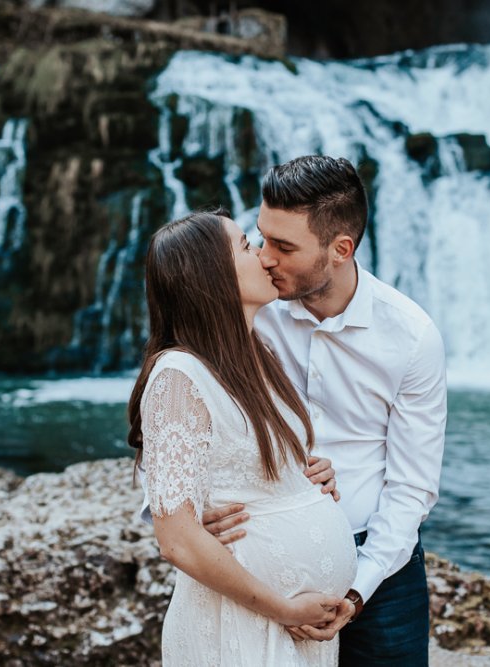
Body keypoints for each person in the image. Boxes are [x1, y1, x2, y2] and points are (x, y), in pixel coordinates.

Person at [201, 155, 447, 665]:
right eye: (261, 237)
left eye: (284, 247)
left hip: (379, 575)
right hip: (259, 561)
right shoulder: (248, 305)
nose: (264, 257)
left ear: (341, 250)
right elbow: (173, 407)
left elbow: (411, 486)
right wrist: (191, 509)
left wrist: (357, 590)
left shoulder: (412, 336)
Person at [127, 210, 358, 666]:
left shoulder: (258, 354)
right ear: (210, 275)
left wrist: (306, 477)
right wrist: (285, 608)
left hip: (300, 630)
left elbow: (247, 467)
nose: (265, 258)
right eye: (246, 247)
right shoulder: (178, 375)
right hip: (244, 624)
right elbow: (176, 539)